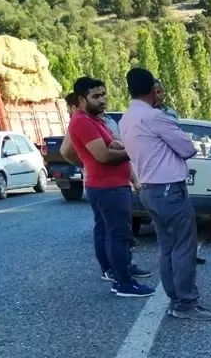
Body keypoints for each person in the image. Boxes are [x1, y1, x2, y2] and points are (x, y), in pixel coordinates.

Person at [120, 67, 211, 321]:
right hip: (170, 189)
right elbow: (187, 148)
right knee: (184, 246)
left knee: (167, 247)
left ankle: (175, 298)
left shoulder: (126, 118)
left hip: (149, 189)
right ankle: (186, 302)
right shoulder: (154, 117)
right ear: (152, 89)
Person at [62, 76, 153, 297]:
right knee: (118, 234)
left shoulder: (95, 120)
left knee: (109, 231)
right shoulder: (82, 121)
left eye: (103, 95)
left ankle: (117, 270)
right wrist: (132, 149)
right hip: (107, 187)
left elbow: (108, 148)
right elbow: (103, 156)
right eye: (95, 96)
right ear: (82, 99)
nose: (102, 100)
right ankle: (123, 282)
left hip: (110, 185)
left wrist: (116, 147)